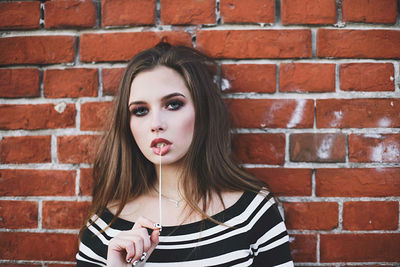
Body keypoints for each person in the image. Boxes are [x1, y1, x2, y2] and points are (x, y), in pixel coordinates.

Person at [76, 42, 293, 266]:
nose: (156, 124)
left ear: (202, 110)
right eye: (140, 110)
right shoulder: (104, 228)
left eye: (173, 104)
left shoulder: (252, 212)